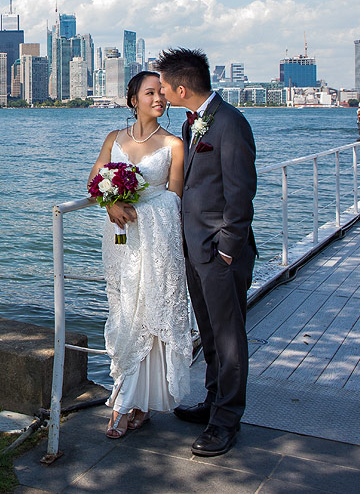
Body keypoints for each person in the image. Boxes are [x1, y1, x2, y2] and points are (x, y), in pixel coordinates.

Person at [155, 48, 257, 458]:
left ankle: (226, 421)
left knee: (229, 338)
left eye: (163, 86)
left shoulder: (230, 124)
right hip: (195, 248)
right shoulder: (191, 123)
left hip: (220, 252)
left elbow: (241, 192)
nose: (160, 92)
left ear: (181, 88)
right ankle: (213, 402)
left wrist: (229, 249)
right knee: (211, 333)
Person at [88, 71, 191, 439]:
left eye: (162, 93)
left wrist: (141, 208)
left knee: (149, 309)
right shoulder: (114, 138)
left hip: (155, 242)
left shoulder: (174, 144)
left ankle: (127, 402)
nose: (159, 99)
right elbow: (94, 179)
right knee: (124, 311)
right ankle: (135, 400)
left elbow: (174, 198)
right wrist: (110, 203)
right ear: (133, 99)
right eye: (151, 93)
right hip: (119, 238)